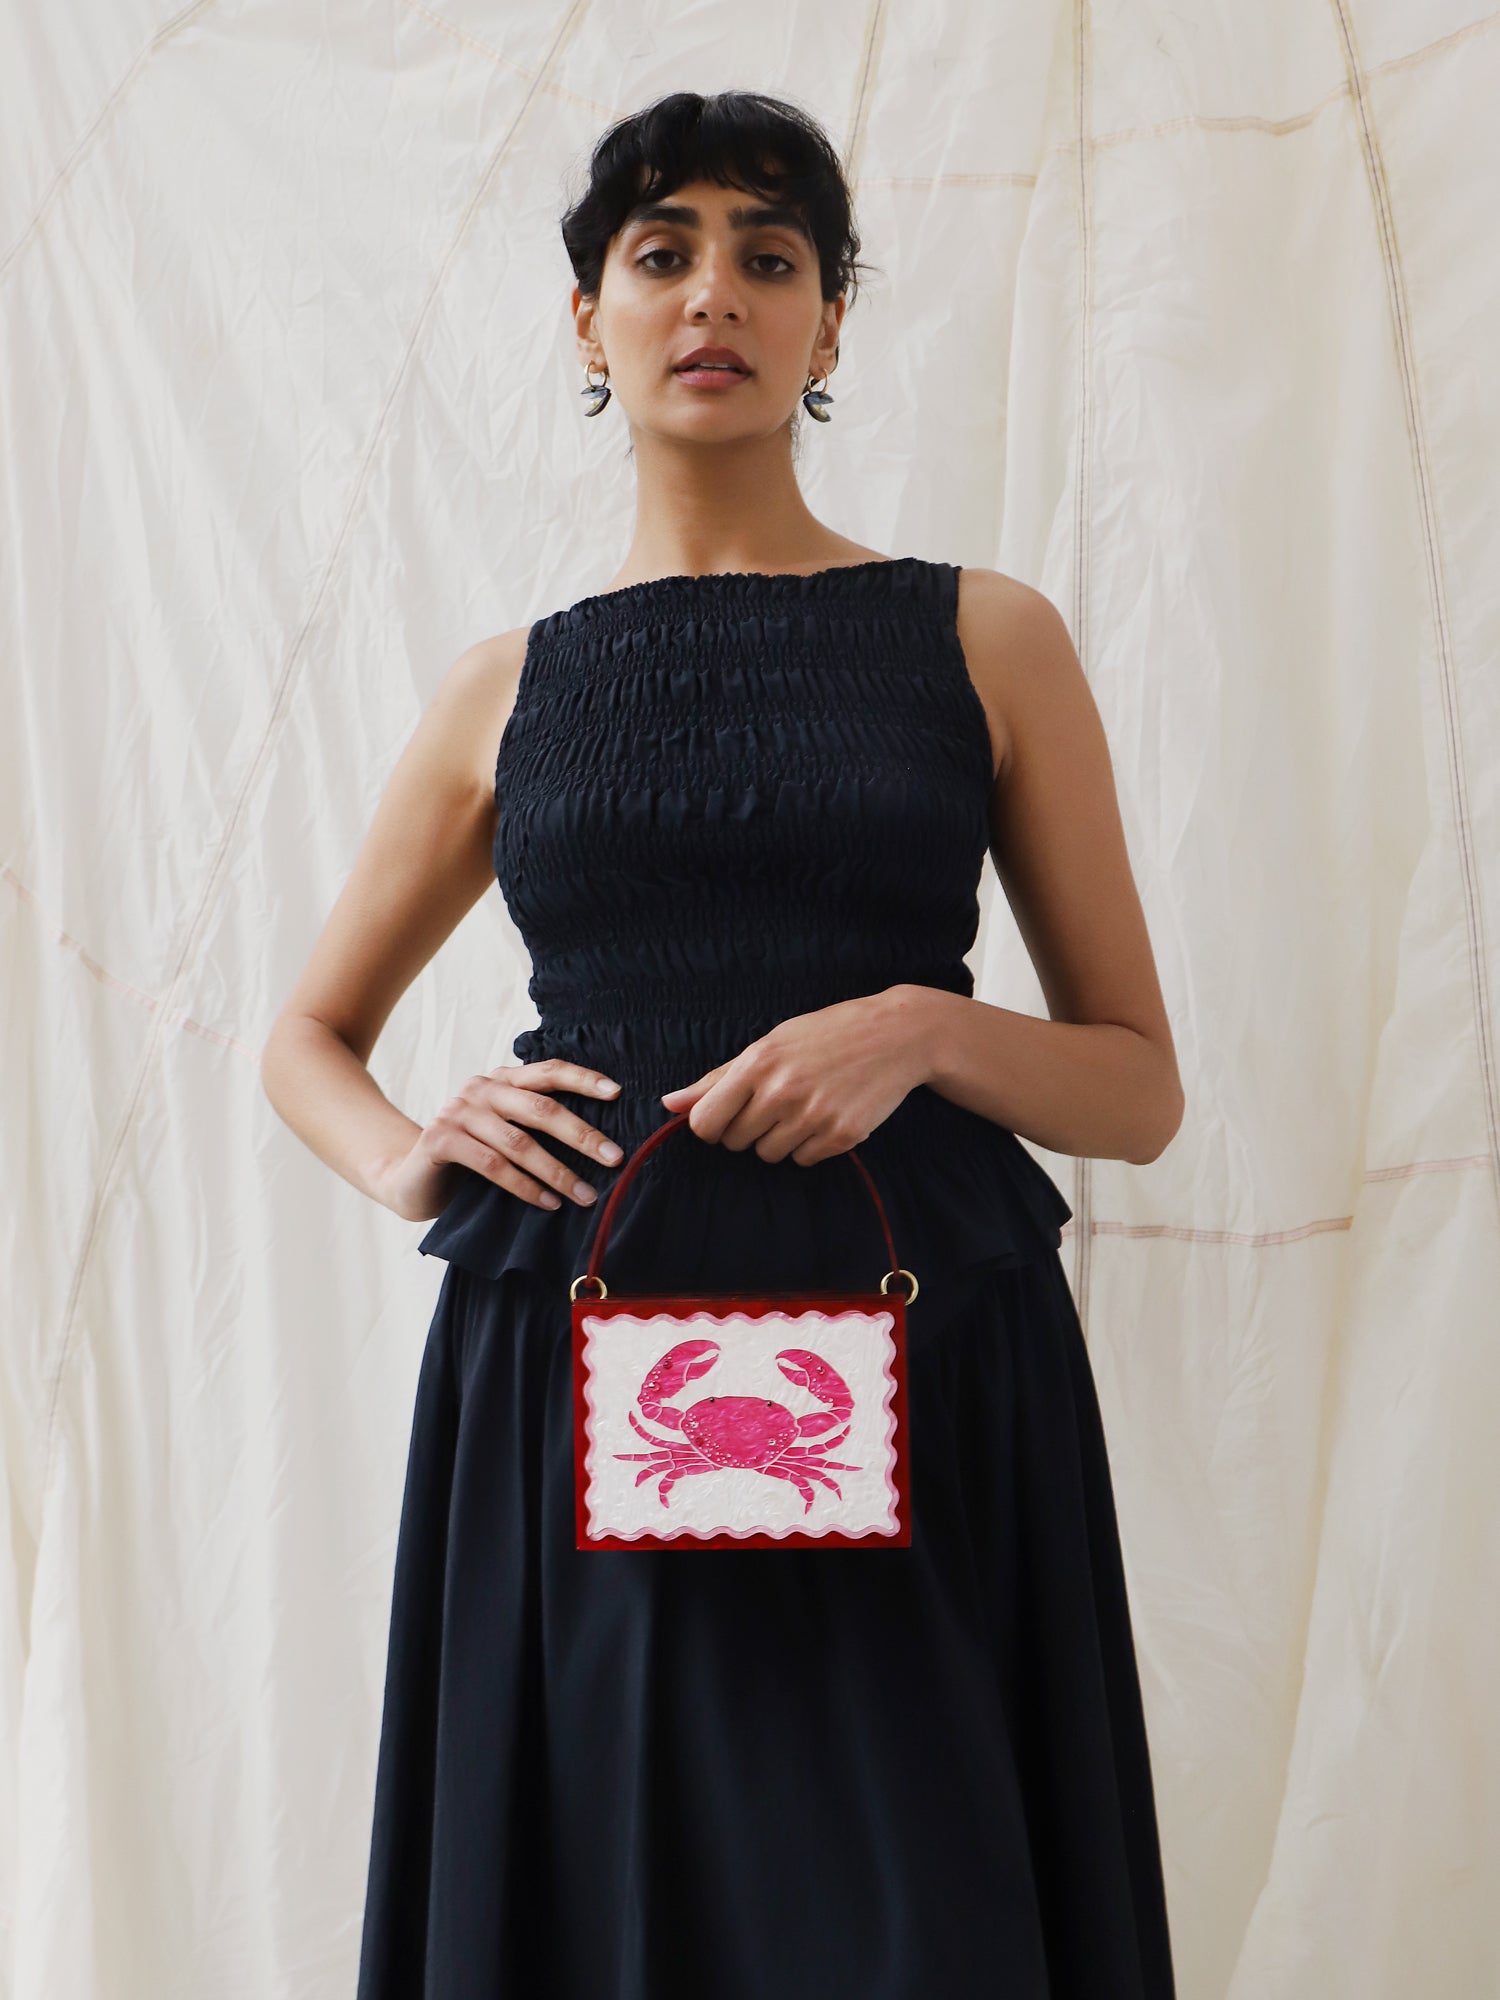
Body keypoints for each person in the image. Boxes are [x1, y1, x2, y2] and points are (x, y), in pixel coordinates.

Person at [261, 87, 1183, 2000]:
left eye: (771, 257)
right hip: (573, 1341)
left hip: (924, 1344)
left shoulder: (986, 637)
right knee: (597, 1891)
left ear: (830, 323)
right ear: (586, 317)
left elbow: (1137, 1088)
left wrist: (923, 1027)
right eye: (661, 252)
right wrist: (412, 1154)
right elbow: (307, 1036)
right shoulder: (505, 688)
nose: (714, 295)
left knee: (919, 1903)